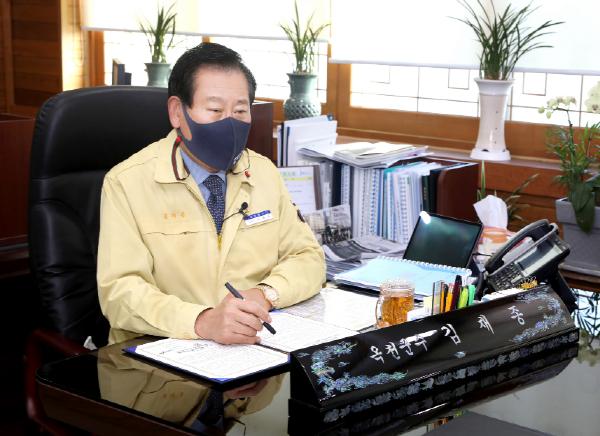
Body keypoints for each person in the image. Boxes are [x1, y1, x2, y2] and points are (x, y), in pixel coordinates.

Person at [97, 42, 325, 345]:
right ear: (177, 112)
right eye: (215, 110)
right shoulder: (126, 183)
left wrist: (265, 294)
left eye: (240, 110)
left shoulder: (263, 172)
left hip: (252, 347)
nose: (229, 122)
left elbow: (309, 258)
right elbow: (119, 292)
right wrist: (201, 320)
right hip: (160, 354)